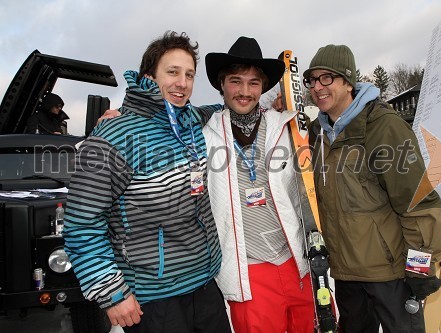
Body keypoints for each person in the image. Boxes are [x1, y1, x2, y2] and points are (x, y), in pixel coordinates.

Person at [63, 31, 231, 333]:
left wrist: (267, 105)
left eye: (189, 75)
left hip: (205, 287)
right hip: (155, 300)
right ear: (149, 76)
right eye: (172, 72)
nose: (182, 82)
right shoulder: (114, 136)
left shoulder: (190, 121)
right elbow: (81, 223)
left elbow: (222, 110)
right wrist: (112, 294)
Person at [302, 44, 441, 332]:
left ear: (348, 81)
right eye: (312, 80)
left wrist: (420, 269)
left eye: (327, 78)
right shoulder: (318, 134)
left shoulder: (382, 126)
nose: (318, 87)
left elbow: (418, 203)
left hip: (389, 275)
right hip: (345, 274)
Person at [202, 37, 316, 333]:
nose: (244, 91)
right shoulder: (203, 134)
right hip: (247, 271)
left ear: (263, 87)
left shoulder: (287, 127)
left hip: (297, 263)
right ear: (221, 85)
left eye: (253, 83)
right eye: (235, 81)